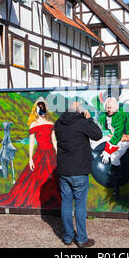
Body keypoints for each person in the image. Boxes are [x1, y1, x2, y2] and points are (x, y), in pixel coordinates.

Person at [0, 98, 61, 210]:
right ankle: (40, 199)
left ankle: (52, 200)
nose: (43, 113)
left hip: (51, 154)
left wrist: (58, 154)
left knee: (53, 177)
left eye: (44, 110)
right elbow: (32, 143)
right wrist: (31, 159)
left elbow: (54, 140)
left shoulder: (50, 124)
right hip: (40, 154)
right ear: (37, 111)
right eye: (41, 110)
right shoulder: (33, 125)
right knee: (36, 178)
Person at [54, 101, 102, 248]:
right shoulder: (81, 122)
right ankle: (81, 239)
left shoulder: (58, 124)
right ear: (78, 111)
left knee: (66, 204)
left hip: (63, 170)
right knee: (80, 205)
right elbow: (98, 135)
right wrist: (88, 119)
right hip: (79, 171)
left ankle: (68, 237)